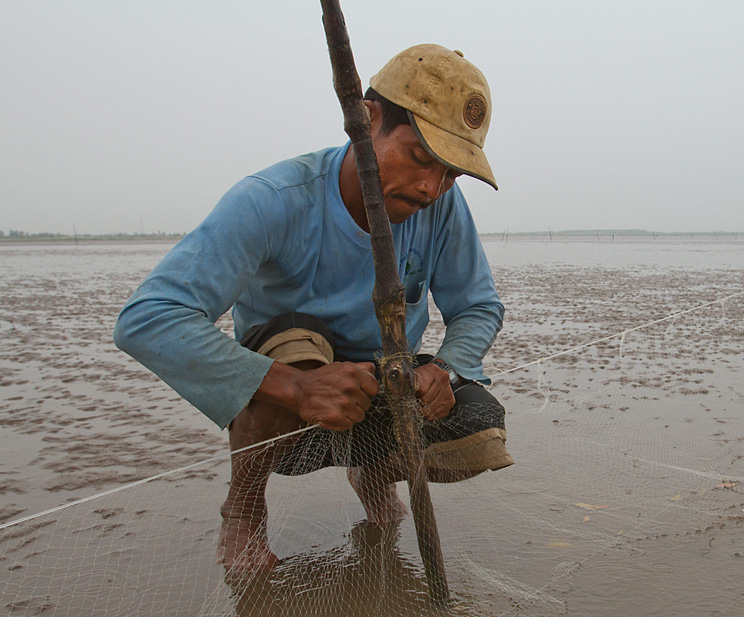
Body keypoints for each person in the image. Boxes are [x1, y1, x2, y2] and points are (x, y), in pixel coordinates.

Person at [113, 44, 512, 571]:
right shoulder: (271, 199)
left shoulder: (439, 205)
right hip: (289, 406)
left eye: (451, 174)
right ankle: (245, 509)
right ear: (365, 120)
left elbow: (479, 306)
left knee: (482, 427)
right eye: (420, 158)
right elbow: (147, 318)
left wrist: (445, 366)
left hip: (379, 386)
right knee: (299, 341)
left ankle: (370, 472)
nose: (430, 188)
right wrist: (295, 386)